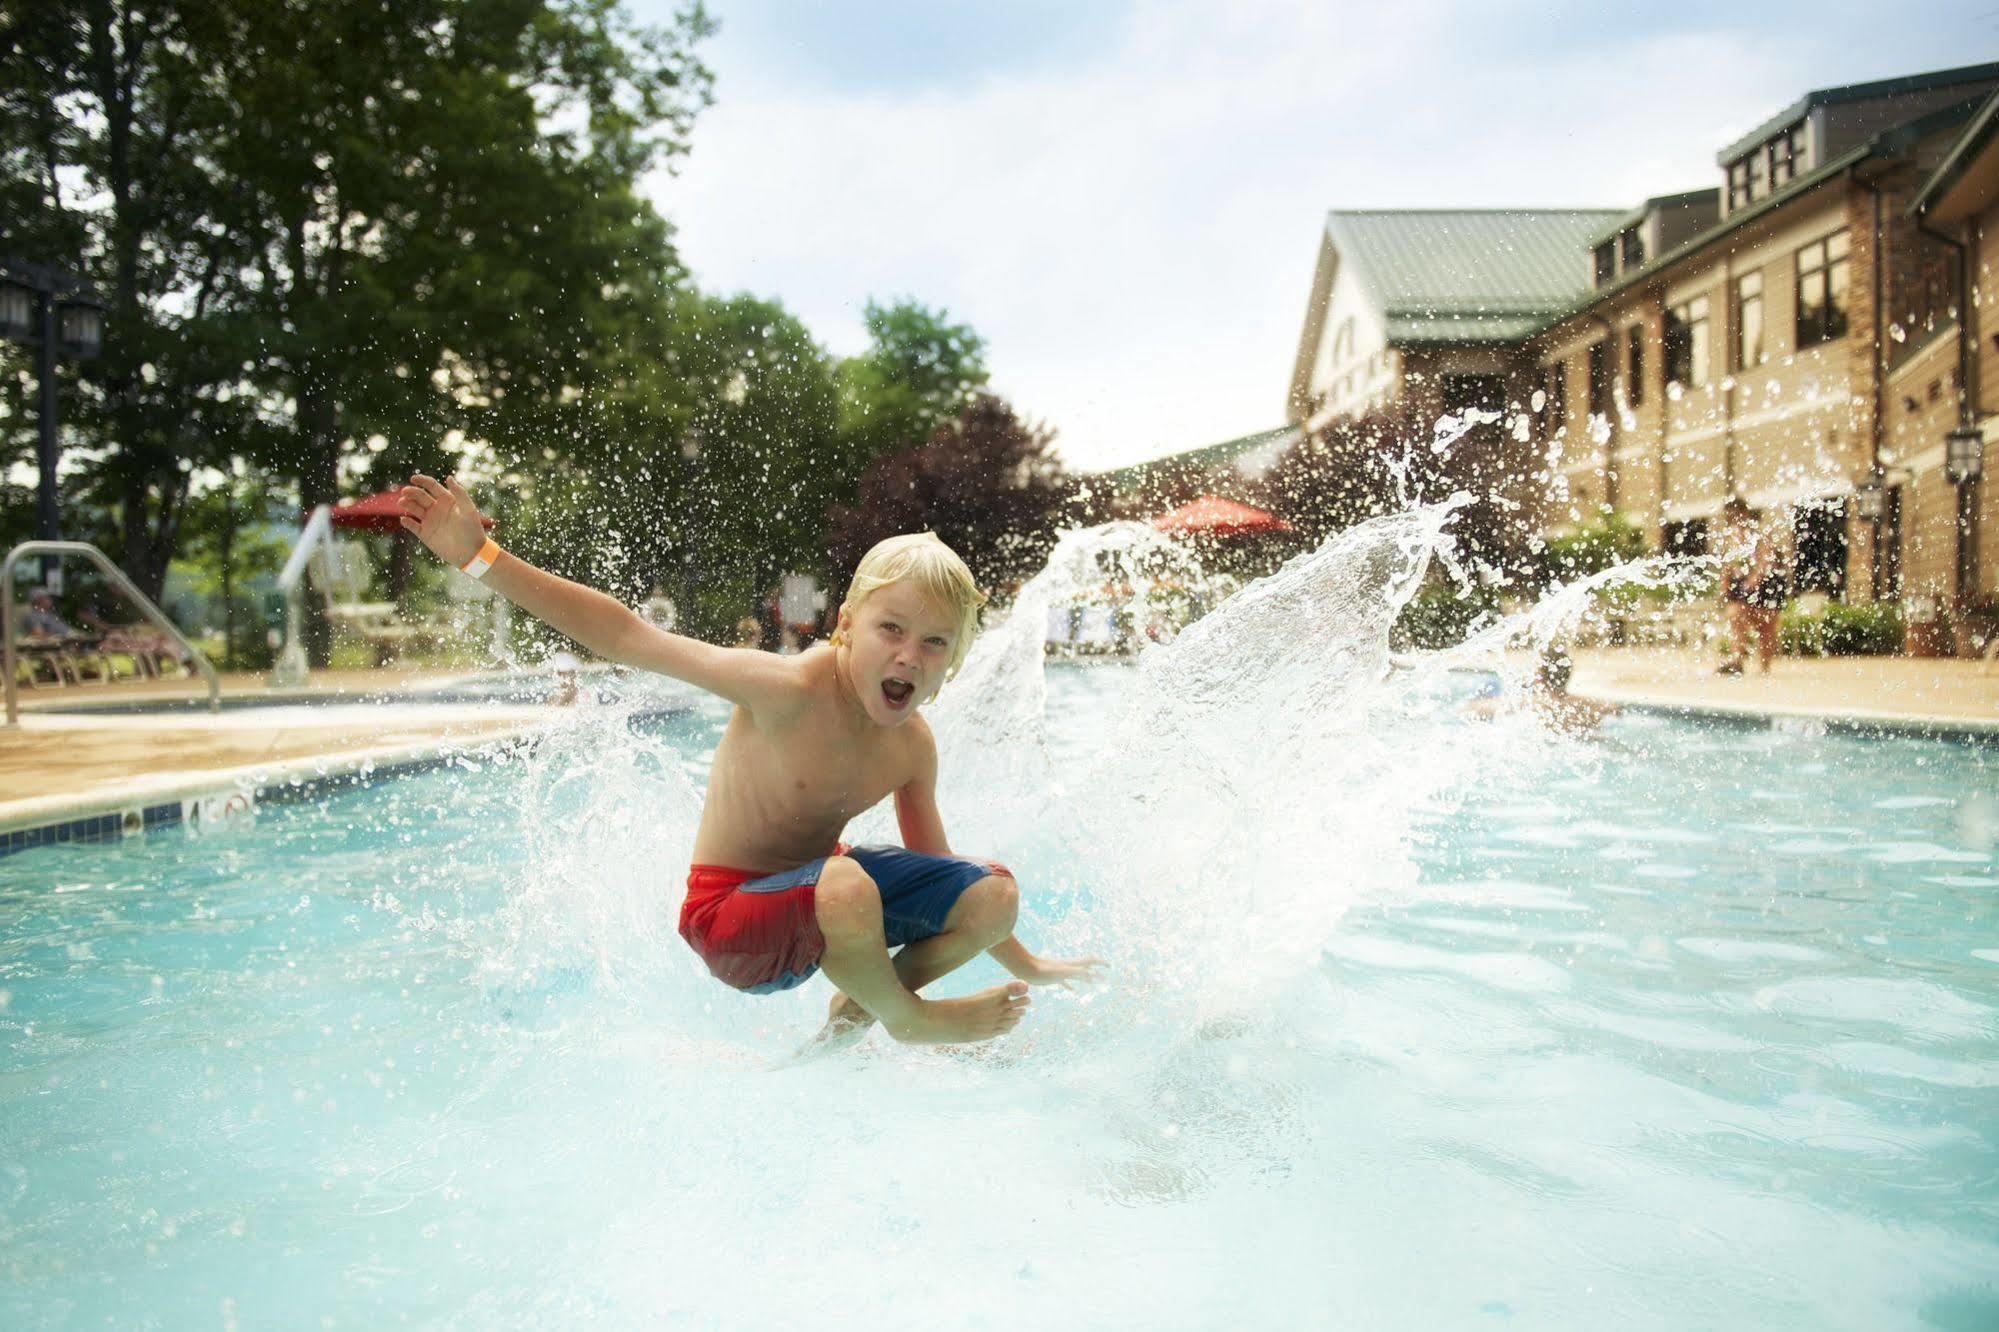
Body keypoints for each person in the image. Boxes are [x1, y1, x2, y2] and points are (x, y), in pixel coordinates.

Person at [397, 473, 1102, 1047]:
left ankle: (860, 1012)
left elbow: (943, 876)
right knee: (846, 881)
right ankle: (906, 1018)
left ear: (954, 660)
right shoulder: (785, 690)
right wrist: (478, 557)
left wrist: (1025, 960)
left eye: (934, 643)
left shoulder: (910, 746)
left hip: (828, 904)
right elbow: (626, 636)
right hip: (732, 923)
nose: (908, 655)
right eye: (891, 628)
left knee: (991, 893)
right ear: (847, 626)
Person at [1461, 647, 1617, 737]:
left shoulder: (1528, 703)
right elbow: (1614, 709)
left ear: (1540, 676)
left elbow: (1468, 710)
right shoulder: (1590, 706)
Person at [1716, 498, 1785, 675]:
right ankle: (1737, 659)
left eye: (1736, 514)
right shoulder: (1730, 536)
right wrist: (1723, 585)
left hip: (1767, 581)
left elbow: (1766, 558)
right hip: (1741, 581)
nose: (1734, 518)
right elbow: (1727, 563)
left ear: (1745, 513)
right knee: (1736, 615)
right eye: (1730, 515)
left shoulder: (1758, 532)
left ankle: (1764, 667)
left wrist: (1755, 578)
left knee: (1765, 627)